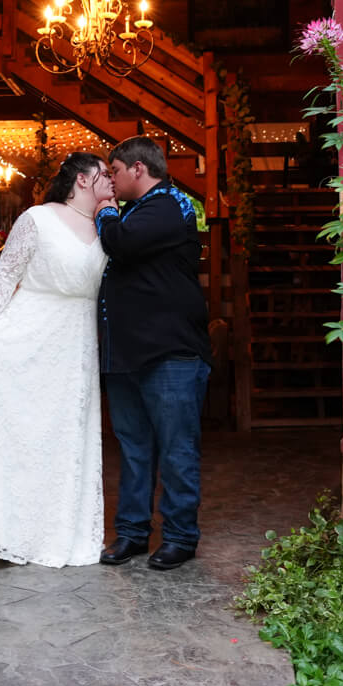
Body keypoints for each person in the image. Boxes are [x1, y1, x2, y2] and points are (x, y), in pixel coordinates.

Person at [0, 152, 118, 567]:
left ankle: (56, 530)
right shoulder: (38, 218)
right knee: (25, 432)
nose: (112, 180)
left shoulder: (108, 223)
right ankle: (5, 526)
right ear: (83, 180)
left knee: (65, 434)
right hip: (31, 331)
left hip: (77, 341)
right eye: (105, 173)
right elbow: (5, 272)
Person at [93, 136, 213, 571]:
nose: (111, 181)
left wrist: (104, 211)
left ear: (138, 169)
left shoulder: (170, 203)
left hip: (170, 353)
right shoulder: (138, 211)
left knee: (176, 448)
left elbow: (121, 244)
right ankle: (132, 533)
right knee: (134, 447)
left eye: (115, 172)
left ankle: (181, 537)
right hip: (126, 355)